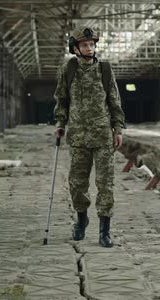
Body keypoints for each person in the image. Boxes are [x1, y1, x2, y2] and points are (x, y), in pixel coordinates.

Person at [53, 27, 125, 248]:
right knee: (77, 183)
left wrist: (118, 128)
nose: (89, 48)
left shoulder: (104, 69)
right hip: (78, 136)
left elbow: (114, 100)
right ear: (75, 48)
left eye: (92, 44)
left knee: (106, 184)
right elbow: (62, 99)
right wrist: (60, 123)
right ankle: (81, 219)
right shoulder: (69, 69)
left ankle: (105, 231)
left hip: (103, 135)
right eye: (85, 45)